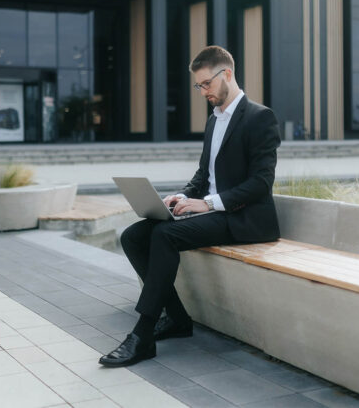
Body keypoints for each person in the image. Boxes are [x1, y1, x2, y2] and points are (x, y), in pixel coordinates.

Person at [99, 45, 281, 367]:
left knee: (164, 236)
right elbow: (204, 174)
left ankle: (142, 335)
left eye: (206, 84)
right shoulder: (214, 120)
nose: (202, 92)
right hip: (212, 212)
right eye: (198, 86)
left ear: (227, 74)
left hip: (243, 218)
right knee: (133, 237)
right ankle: (178, 318)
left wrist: (207, 203)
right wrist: (182, 197)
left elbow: (260, 183)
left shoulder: (260, 118)